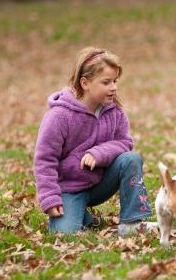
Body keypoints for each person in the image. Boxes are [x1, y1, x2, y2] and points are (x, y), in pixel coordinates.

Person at [33, 47, 155, 236]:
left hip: (100, 183)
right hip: (69, 188)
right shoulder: (59, 116)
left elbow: (124, 142)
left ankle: (131, 222)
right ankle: (81, 215)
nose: (113, 87)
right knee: (65, 236)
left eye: (115, 81)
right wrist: (49, 198)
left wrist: (98, 153)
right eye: (106, 82)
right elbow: (44, 160)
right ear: (85, 83)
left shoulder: (115, 111)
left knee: (131, 158)